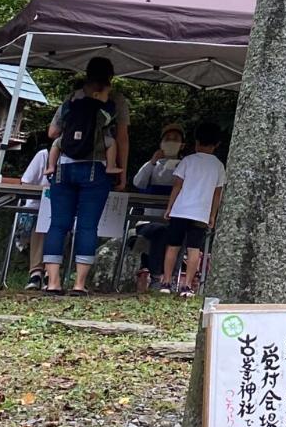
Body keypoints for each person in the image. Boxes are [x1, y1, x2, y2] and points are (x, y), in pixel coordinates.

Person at [43, 61, 123, 295]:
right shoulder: (110, 103)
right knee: (87, 226)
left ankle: (53, 282)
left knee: (58, 224)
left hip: (63, 168)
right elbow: (119, 134)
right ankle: (79, 284)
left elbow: (52, 132)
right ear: (110, 77)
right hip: (94, 169)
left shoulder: (70, 100)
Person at [159, 120, 226, 297]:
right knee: (194, 248)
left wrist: (169, 207)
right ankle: (187, 286)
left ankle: (166, 282)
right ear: (217, 144)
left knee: (173, 246)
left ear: (196, 141)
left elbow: (177, 186)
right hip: (201, 213)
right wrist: (212, 215)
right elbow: (217, 193)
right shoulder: (218, 166)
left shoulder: (188, 160)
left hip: (181, 209)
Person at [132, 124, 185, 292]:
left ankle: (172, 277)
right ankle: (156, 276)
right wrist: (152, 162)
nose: (171, 142)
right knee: (159, 232)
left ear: (182, 145)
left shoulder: (185, 165)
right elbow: (138, 182)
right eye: (167, 139)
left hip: (176, 220)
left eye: (175, 139)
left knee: (178, 235)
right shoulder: (152, 165)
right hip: (149, 221)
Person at [17, 142, 55, 289]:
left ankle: (50, 272)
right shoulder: (43, 155)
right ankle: (37, 272)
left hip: (60, 208)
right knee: (41, 222)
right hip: (37, 207)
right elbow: (25, 183)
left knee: (60, 224)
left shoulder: (74, 158)